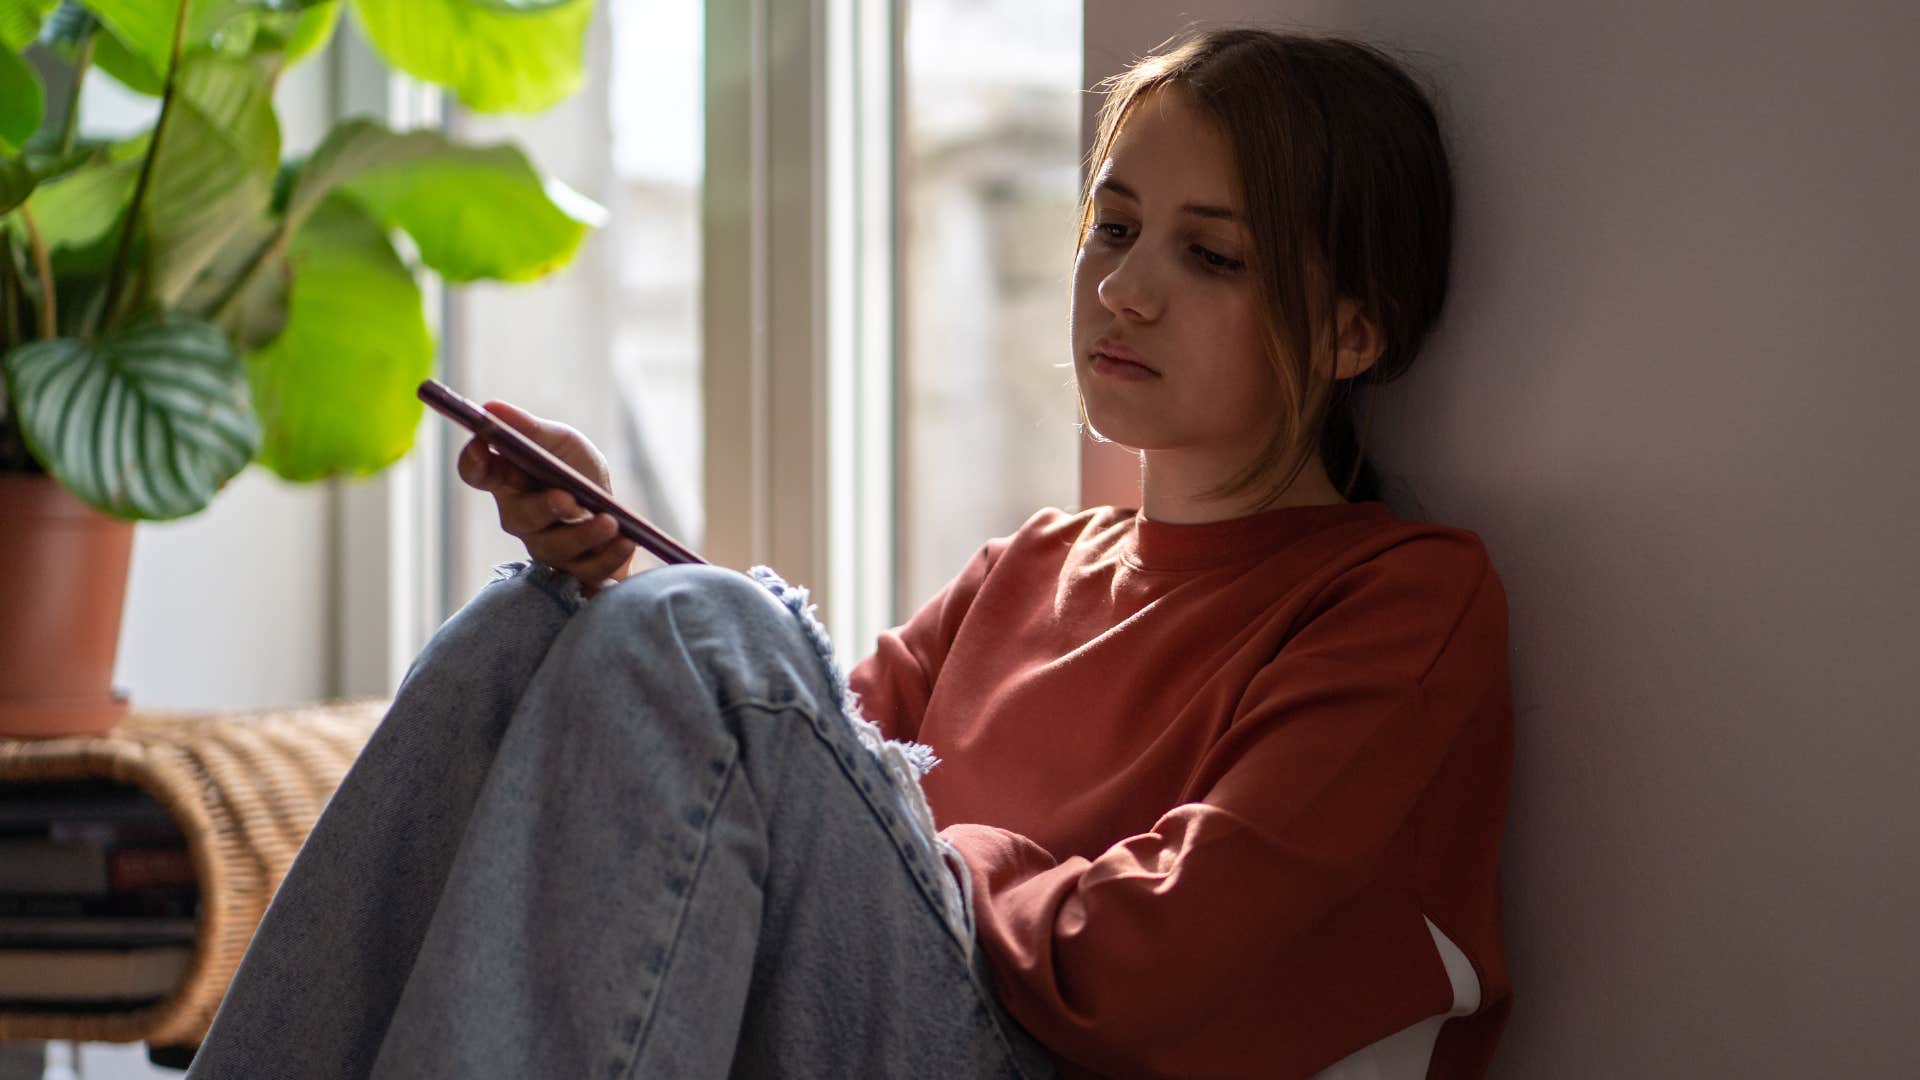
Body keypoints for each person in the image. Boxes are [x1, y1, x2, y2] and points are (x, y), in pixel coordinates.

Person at [186, 26, 1511, 1080]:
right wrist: (612, 578)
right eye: (1113, 227)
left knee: (714, 638)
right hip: (890, 1007)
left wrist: (932, 844)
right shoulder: (1031, 566)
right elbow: (777, 780)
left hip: (1053, 1060)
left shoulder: (1401, 594)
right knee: (531, 623)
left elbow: (1139, 971)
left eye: (1208, 256)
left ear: (1351, 333)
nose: (1124, 288)